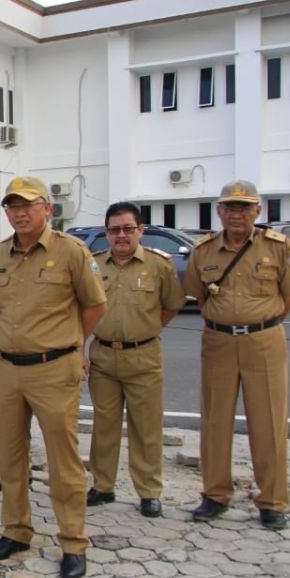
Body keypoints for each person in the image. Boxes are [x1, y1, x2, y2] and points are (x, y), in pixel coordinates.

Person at [0, 176, 107, 578]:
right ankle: (16, 530)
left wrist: (73, 345)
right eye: (12, 207)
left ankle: (73, 541)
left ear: (47, 210)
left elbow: (94, 306)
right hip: (7, 370)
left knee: (62, 459)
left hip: (54, 368)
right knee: (11, 456)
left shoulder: (71, 251)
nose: (18, 213)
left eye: (28, 205)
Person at [183, 180, 290, 529]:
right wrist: (229, 323)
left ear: (258, 211)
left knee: (268, 421)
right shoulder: (203, 251)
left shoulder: (278, 247)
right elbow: (202, 298)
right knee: (214, 420)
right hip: (219, 341)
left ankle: (272, 501)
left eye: (245, 207)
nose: (237, 214)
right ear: (219, 211)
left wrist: (258, 325)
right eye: (230, 207)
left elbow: (289, 299)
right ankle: (215, 494)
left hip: (264, 340)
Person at [86, 203, 185, 518]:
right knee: (104, 425)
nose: (121, 236)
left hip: (143, 355)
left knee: (146, 427)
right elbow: (82, 308)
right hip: (102, 354)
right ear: (107, 233)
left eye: (128, 229)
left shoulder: (159, 265)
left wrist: (146, 330)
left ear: (141, 231)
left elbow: (171, 305)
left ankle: (149, 492)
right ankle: (103, 486)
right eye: (114, 230)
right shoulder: (93, 265)